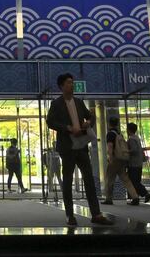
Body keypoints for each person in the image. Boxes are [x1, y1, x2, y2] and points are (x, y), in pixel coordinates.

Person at [46, 73, 113, 226]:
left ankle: (96, 214)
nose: (72, 85)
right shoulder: (56, 104)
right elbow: (50, 121)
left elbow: (91, 117)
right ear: (62, 86)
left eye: (72, 82)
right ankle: (70, 215)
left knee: (89, 179)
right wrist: (67, 128)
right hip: (67, 147)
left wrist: (88, 122)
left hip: (82, 146)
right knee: (68, 181)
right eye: (69, 83)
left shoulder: (79, 102)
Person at [103, 117, 139, 206]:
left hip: (115, 159)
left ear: (109, 124)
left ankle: (108, 198)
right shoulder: (119, 134)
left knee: (109, 179)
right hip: (122, 159)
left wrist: (110, 157)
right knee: (125, 179)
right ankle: (135, 197)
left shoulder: (110, 134)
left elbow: (110, 146)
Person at [126, 123, 150, 203]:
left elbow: (134, 150)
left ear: (129, 130)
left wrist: (126, 151)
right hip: (138, 163)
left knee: (133, 181)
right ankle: (136, 198)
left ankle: (145, 194)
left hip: (133, 164)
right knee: (136, 181)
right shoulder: (137, 138)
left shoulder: (131, 139)